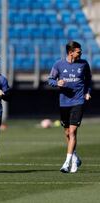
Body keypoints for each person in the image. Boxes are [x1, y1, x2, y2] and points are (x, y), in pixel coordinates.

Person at [48, 41, 92, 173]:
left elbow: (88, 80)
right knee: (67, 133)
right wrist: (57, 82)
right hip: (64, 103)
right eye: (78, 51)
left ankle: (66, 163)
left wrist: (88, 92)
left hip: (78, 102)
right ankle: (75, 158)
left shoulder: (84, 64)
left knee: (73, 132)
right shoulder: (59, 64)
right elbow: (50, 79)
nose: (81, 53)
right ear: (70, 52)